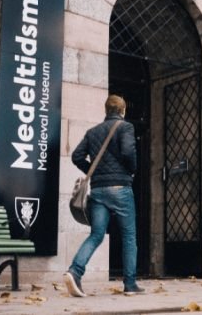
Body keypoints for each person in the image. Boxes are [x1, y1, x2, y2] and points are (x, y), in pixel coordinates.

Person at [63, 95, 144, 297]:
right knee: (129, 236)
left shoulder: (93, 132)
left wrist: (93, 170)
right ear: (123, 111)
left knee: (96, 235)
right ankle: (130, 284)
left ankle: (75, 271)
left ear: (106, 110)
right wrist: (132, 170)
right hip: (120, 189)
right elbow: (127, 152)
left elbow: (76, 156)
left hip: (98, 191)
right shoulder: (126, 127)